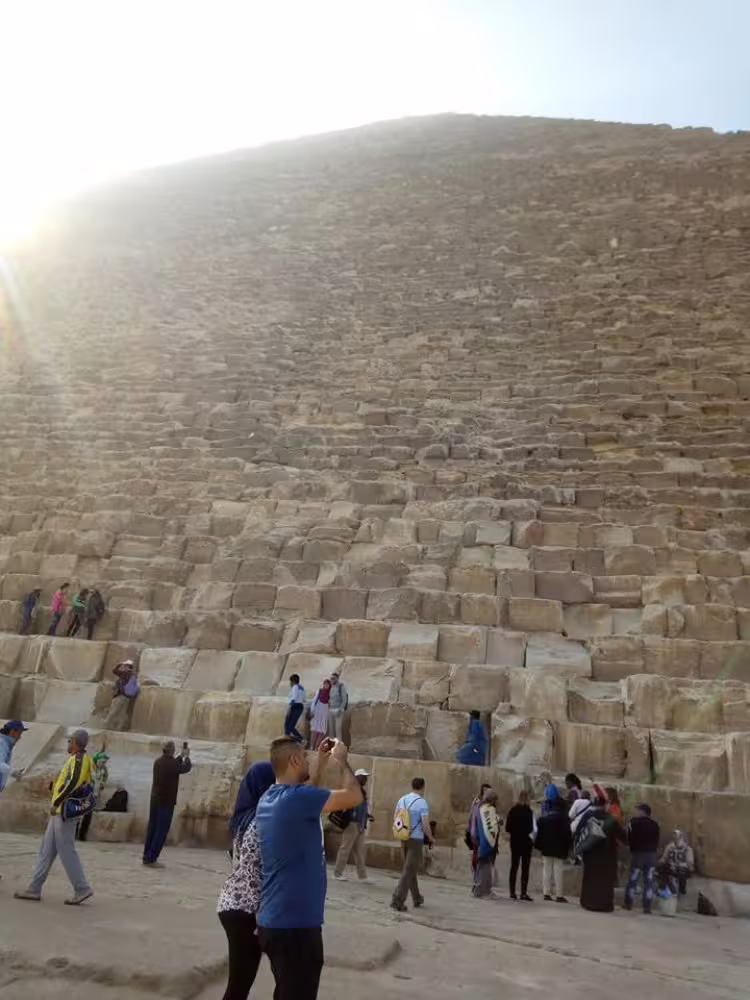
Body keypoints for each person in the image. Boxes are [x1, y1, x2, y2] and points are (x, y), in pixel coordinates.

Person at [255, 735, 363, 1000]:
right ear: (294, 760)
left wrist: (322, 762)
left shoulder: (270, 798)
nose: (307, 761)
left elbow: (308, 794)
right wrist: (342, 761)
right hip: (296, 927)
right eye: (304, 757)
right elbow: (354, 796)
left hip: (276, 922)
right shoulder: (297, 800)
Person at [14, 729, 94, 905]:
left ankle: (82, 888)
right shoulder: (77, 759)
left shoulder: (79, 760)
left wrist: (56, 802)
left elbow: (73, 783)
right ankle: (34, 888)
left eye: (70, 741)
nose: (68, 744)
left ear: (75, 742)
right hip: (59, 812)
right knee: (46, 850)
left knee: (67, 851)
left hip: (64, 812)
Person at [217, 761, 276, 1000]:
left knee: (239, 985)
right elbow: (260, 870)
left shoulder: (243, 818)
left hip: (233, 904)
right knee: (238, 987)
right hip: (245, 910)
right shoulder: (261, 821)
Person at [573, 790, 626, 913]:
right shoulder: (610, 819)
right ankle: (604, 905)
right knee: (605, 880)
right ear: (605, 805)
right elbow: (623, 837)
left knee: (590, 878)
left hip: (590, 853)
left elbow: (578, 831)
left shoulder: (588, 816)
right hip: (607, 855)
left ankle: (587, 902)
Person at [143, 740, 192, 867]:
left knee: (152, 828)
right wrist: (187, 757)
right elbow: (185, 768)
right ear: (172, 751)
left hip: (155, 800)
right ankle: (152, 858)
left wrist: (181, 756)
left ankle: (146, 856)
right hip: (166, 802)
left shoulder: (158, 762)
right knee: (161, 830)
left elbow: (173, 766)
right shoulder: (171, 764)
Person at [391, 776, 435, 912]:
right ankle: (397, 899)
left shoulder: (402, 799)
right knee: (409, 870)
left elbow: (396, 818)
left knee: (410, 868)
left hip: (403, 837)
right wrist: (431, 837)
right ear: (423, 787)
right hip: (416, 840)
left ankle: (417, 897)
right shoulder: (422, 803)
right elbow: (425, 825)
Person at [333, 768, 372, 881]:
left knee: (359, 852)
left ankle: (362, 876)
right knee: (345, 849)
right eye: (363, 777)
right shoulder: (352, 790)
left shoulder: (361, 791)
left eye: (366, 777)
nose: (365, 779)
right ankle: (337, 873)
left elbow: (361, 807)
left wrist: (367, 815)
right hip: (352, 823)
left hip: (360, 824)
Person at [624, 803, 661, 914]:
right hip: (651, 855)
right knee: (649, 880)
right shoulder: (655, 825)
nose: (637, 812)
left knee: (633, 879)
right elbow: (657, 840)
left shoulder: (635, 822)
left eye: (638, 810)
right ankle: (647, 907)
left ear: (642, 811)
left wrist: (631, 847)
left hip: (638, 854)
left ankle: (628, 903)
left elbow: (628, 834)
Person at [534, 796, 572, 902]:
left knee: (546, 870)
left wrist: (539, 846)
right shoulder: (565, 820)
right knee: (558, 871)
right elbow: (568, 836)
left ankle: (546, 893)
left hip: (547, 848)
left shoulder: (544, 819)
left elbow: (539, 834)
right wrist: (568, 848)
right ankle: (559, 895)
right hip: (559, 849)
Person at [505, 790, 534, 901]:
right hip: (526, 843)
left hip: (515, 842)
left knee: (514, 866)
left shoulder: (513, 810)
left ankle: (512, 892)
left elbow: (507, 828)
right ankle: (523, 892)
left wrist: (515, 831)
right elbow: (531, 828)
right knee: (525, 868)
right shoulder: (529, 812)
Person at [76, 744, 109, 842]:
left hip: (94, 794)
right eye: (102, 761)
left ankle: (82, 834)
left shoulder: (104, 770)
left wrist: (102, 784)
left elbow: (104, 779)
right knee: (78, 813)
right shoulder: (89, 767)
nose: (103, 764)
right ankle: (74, 832)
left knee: (88, 815)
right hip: (85, 792)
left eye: (105, 762)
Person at [473, 788, 500, 898]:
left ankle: (479, 890)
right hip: (486, 842)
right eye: (495, 800)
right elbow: (491, 826)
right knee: (485, 868)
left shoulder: (481, 808)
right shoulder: (488, 810)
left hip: (482, 842)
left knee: (482, 867)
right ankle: (484, 891)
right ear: (492, 800)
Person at [465, 782, 492, 880]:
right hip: (476, 831)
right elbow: (471, 814)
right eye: (484, 790)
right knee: (476, 854)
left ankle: (482, 877)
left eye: (487, 791)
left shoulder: (491, 803)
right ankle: (476, 877)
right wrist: (469, 828)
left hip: (486, 832)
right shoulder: (477, 801)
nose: (485, 792)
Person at [104, 659, 140, 730]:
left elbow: (114, 671)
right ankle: (119, 728)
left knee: (113, 711)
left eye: (125, 666)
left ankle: (106, 725)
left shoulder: (125, 674)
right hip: (127, 697)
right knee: (122, 713)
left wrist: (120, 664)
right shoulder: (131, 674)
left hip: (120, 696)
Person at [659, 829, 694, 896]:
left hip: (682, 867)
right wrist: (661, 862)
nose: (675, 837)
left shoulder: (687, 848)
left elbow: (689, 862)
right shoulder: (670, 846)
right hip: (671, 866)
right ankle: (664, 887)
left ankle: (681, 889)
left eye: (676, 835)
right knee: (662, 868)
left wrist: (678, 865)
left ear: (681, 837)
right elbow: (664, 857)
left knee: (682, 871)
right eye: (674, 835)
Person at [0, 720, 27, 793]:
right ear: (12, 732)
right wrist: (14, 772)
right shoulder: (2, 743)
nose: (20, 737)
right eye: (19, 733)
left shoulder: (6, 743)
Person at [309, 679, 331, 751]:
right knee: (315, 730)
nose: (326, 685)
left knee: (321, 731)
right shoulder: (320, 691)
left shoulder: (330, 693)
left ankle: (316, 747)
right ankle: (311, 746)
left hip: (325, 712)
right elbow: (314, 701)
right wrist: (312, 711)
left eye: (327, 684)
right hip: (318, 711)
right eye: (325, 684)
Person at [284, 673, 305, 743]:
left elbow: (294, 698)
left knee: (288, 725)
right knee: (289, 724)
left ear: (293, 681)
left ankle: (301, 739)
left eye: (290, 682)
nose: (290, 683)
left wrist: (289, 708)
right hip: (300, 706)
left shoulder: (295, 687)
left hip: (295, 706)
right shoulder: (302, 688)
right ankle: (288, 737)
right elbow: (304, 699)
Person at [327, 670, 348, 741]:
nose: (332, 680)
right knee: (331, 730)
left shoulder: (341, 686)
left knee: (338, 729)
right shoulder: (330, 687)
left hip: (338, 710)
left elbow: (344, 699)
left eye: (333, 678)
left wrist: (340, 709)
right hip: (330, 709)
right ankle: (331, 745)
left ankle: (339, 745)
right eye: (331, 678)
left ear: (337, 679)